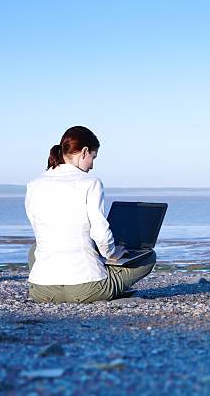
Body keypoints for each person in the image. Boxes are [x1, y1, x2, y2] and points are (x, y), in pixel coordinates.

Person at [25, 126, 155, 303]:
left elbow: (37, 229)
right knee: (149, 256)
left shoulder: (34, 184)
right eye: (93, 157)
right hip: (85, 288)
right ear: (84, 151)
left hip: (42, 291)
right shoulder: (90, 183)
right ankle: (108, 287)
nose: (92, 165)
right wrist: (111, 254)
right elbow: (100, 232)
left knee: (35, 249)